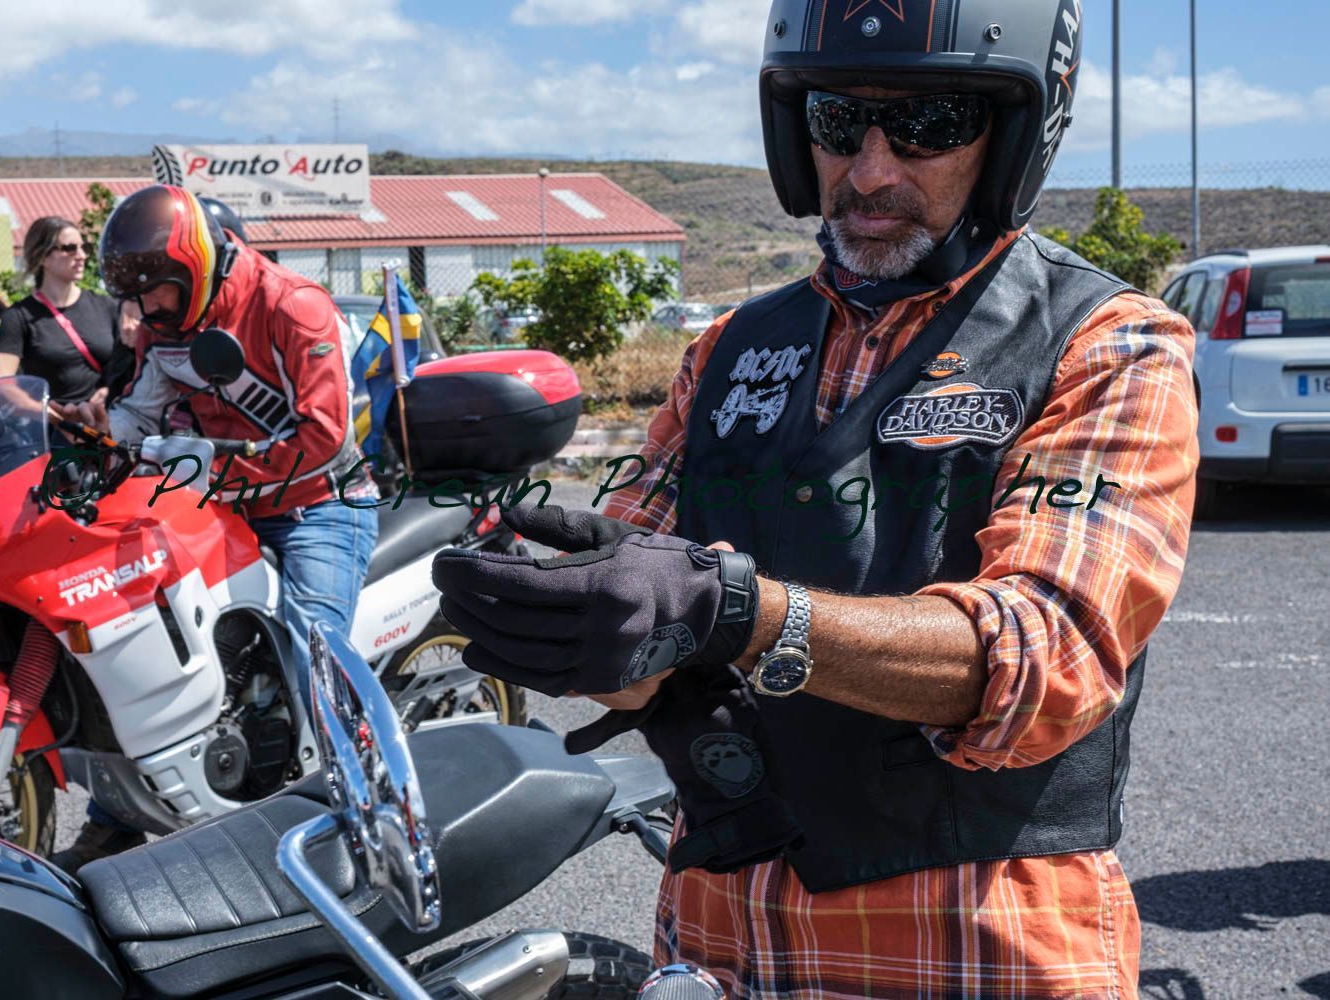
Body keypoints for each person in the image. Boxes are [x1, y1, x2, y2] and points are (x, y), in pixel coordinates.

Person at [431, 3, 1200, 997]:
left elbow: (1043, 657)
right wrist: (573, 617)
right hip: (721, 936)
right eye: (838, 122)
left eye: (927, 125)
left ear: (1013, 130)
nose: (870, 169)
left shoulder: (1106, 344)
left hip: (976, 945)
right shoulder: (727, 353)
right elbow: (639, 621)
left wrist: (741, 613)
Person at [49, 184, 379, 871]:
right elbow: (142, 410)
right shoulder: (168, 326)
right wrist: (97, 441)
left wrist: (216, 470)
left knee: (313, 646)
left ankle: (357, 813)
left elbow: (323, 435)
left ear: (195, 269)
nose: (146, 312)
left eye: (157, 293)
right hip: (220, 500)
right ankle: (119, 814)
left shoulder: (293, 306)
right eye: (136, 299)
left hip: (321, 502)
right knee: (141, 630)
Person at [0, 216, 137, 403]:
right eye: (70, 248)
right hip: (54, 427)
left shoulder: (106, 306)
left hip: (104, 425)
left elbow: (133, 366)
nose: (82, 255)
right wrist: (48, 415)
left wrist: (110, 391)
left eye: (84, 248)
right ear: (42, 257)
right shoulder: (18, 317)